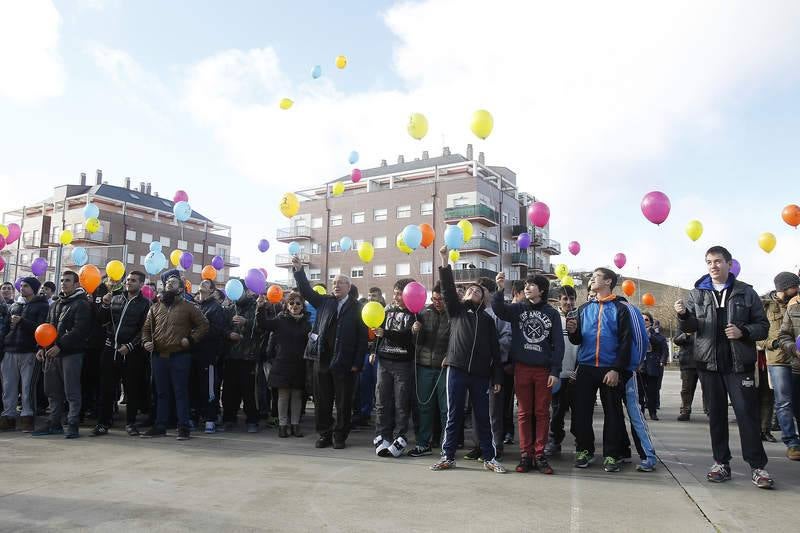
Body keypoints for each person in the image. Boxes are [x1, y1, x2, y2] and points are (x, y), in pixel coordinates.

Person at [675, 245, 773, 488]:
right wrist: (684, 316)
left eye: (718, 261)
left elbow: (763, 327)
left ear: (729, 264)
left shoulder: (746, 292)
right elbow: (690, 328)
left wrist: (744, 331)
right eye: (709, 262)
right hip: (707, 365)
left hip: (738, 365)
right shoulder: (697, 293)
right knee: (716, 416)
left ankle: (757, 467)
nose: (713, 266)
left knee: (746, 416)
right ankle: (721, 463)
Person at [430, 246, 505, 473]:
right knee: (454, 415)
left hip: (481, 375)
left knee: (482, 417)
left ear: (484, 298)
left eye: (478, 290)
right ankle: (448, 456)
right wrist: (444, 259)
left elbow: (495, 351)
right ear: (464, 295)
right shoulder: (456, 311)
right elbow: (447, 289)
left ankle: (489, 458)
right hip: (457, 369)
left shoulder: (488, 321)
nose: (474, 291)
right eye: (470, 289)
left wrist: (497, 376)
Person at [292, 256, 367, 449]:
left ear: (349, 287)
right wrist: (299, 270)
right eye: (334, 283)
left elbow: (362, 339)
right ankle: (324, 434)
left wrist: (357, 363)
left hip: (345, 363)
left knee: (343, 403)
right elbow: (306, 291)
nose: (336, 285)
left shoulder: (358, 308)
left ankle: (340, 436)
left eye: (340, 283)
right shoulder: (324, 302)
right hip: (322, 360)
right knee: (322, 401)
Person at [493, 272, 563, 474]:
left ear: (541, 290)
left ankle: (539, 454)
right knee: (523, 413)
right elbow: (499, 310)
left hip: (543, 370)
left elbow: (558, 344)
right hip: (521, 368)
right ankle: (526, 455)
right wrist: (500, 289)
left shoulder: (551, 313)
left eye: (531, 285)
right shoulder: (518, 308)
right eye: (525, 285)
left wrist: (555, 370)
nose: (527, 287)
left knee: (542, 413)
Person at [566, 267, 631, 473]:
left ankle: (612, 454)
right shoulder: (584, 308)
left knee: (612, 413)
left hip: (609, 369)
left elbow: (625, 342)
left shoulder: (621, 308)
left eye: (596, 277)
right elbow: (578, 340)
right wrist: (573, 332)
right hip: (585, 367)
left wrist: (616, 369)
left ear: (609, 281)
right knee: (581, 412)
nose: (592, 280)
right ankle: (584, 450)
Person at [141, 269, 209, 440]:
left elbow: (203, 325)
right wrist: (146, 342)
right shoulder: (155, 307)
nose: (169, 284)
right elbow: (146, 329)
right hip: (158, 356)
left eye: (173, 282)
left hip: (180, 356)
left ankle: (183, 427)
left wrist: (191, 340)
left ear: (180, 288)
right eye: (167, 283)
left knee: (180, 392)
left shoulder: (189, 307)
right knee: (161, 393)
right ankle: (160, 426)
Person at [32, 271, 92, 439]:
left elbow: (79, 330)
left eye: (68, 281)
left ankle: (72, 424)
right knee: (52, 391)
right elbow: (47, 327)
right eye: (62, 280)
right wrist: (42, 347)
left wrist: (60, 345)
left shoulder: (82, 304)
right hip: (51, 353)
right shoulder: (56, 304)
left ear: (76, 284)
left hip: (71, 354)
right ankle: (54, 423)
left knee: (71, 391)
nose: (64, 283)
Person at [92, 271, 151, 437]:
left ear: (141, 284)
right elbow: (103, 321)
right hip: (111, 349)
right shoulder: (116, 298)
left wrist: (131, 346)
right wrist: (104, 305)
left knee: (132, 389)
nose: (129, 282)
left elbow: (145, 329)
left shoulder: (145, 304)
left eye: (133, 281)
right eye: (128, 280)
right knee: (106, 388)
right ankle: (103, 423)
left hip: (131, 352)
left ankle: (131, 423)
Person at [373, 279, 417, 457]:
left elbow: (407, 338)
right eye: (395, 293)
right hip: (384, 361)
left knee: (401, 403)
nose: (396, 297)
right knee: (382, 401)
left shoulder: (415, 314)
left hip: (403, 363)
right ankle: (383, 435)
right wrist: (373, 350)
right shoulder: (387, 310)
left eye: (400, 294)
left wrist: (386, 333)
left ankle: (400, 436)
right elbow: (378, 333)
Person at [258, 291, 310, 437]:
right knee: (283, 395)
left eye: (298, 303)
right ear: (287, 305)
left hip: (300, 363)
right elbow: (263, 324)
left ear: (302, 306)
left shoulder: (307, 323)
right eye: (291, 303)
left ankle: (295, 425)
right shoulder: (280, 320)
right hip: (282, 363)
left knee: (297, 396)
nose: (295, 306)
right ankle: (282, 425)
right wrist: (261, 308)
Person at [408, 283, 450, 458]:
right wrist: (414, 331)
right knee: (424, 406)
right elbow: (416, 342)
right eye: (434, 299)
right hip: (424, 366)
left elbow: (458, 339)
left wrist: (450, 356)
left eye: (441, 299)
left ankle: (447, 446)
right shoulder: (424, 313)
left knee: (445, 409)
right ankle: (423, 443)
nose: (437, 302)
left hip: (445, 368)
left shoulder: (454, 315)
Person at [2, 278, 49, 432]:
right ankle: (9, 416)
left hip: (29, 351)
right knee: (8, 386)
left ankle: (27, 416)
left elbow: (41, 328)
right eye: (21, 286)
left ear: (34, 288)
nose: (22, 288)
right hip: (10, 350)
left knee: (28, 386)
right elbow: (6, 327)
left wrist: (23, 321)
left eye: (26, 286)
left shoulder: (42, 306)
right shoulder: (15, 305)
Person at [762, 272, 800, 460]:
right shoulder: (766, 306)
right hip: (778, 360)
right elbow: (759, 335)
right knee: (783, 401)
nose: (797, 290)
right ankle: (792, 443)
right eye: (794, 287)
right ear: (783, 288)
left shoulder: (797, 304)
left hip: (797, 359)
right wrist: (773, 344)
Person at [223, 282, 265, 433]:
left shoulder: (255, 307)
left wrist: (246, 322)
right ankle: (229, 418)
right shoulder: (228, 308)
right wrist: (228, 334)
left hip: (249, 356)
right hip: (230, 356)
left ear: (246, 291)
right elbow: (221, 328)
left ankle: (252, 420)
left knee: (248, 390)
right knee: (229, 390)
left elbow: (262, 327)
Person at [545, 285, 578, 457]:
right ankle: (554, 441)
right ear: (559, 300)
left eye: (571, 298)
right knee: (557, 412)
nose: (568, 302)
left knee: (579, 412)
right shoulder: (552, 317)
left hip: (576, 374)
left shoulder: (581, 317)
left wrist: (578, 369)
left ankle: (581, 443)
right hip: (558, 374)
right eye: (565, 299)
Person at [193, 279, 228, 434]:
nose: (202, 285)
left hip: (209, 355)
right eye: (201, 283)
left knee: (210, 388)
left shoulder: (215, 308)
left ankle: (210, 419)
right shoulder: (195, 306)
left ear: (212, 290)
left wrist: (197, 331)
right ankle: (196, 416)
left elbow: (216, 330)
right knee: (196, 387)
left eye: (206, 284)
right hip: (194, 353)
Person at [641, 312, 668, 420]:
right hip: (640, 366)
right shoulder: (635, 332)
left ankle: (653, 412)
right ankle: (640, 412)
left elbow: (662, 348)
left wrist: (649, 335)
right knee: (640, 392)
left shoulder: (657, 335)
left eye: (646, 320)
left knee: (652, 391)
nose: (644, 321)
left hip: (652, 366)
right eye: (641, 319)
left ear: (651, 322)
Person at [674, 332, 706, 421]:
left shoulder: (706, 320)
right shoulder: (684, 323)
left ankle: (710, 410)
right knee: (686, 389)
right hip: (687, 362)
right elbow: (676, 340)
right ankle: (685, 411)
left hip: (704, 360)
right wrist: (686, 334)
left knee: (708, 388)